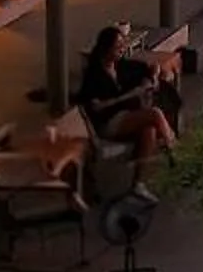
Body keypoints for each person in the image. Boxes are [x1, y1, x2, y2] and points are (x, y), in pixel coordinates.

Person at [75, 26, 175, 177]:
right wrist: (127, 96)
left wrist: (153, 78)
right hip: (107, 123)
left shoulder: (121, 65)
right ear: (106, 48)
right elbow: (96, 107)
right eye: (118, 47)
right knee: (155, 114)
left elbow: (151, 67)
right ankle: (174, 150)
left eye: (123, 45)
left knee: (149, 130)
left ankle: (138, 185)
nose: (122, 49)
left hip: (125, 116)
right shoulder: (94, 75)